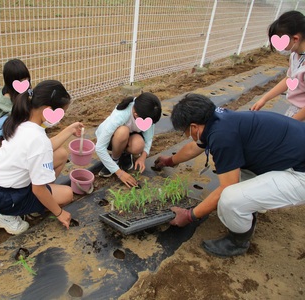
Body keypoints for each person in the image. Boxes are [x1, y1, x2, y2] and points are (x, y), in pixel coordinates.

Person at [154, 93, 305, 258]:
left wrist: (190, 215)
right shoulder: (217, 118)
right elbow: (193, 148)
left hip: (299, 173)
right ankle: (250, 208)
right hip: (288, 156)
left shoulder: (222, 137)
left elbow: (227, 186)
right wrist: (169, 161)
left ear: (194, 127)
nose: (187, 135)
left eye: (185, 131)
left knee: (229, 198)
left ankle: (237, 242)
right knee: (239, 178)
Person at [0, 80, 84, 235]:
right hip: (7, 199)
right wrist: (59, 213)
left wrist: (69, 130)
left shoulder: (21, 120)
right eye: (61, 113)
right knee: (67, 194)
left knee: (61, 154)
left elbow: (44, 148)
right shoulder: (38, 140)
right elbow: (38, 188)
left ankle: (36, 203)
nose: (60, 118)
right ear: (47, 109)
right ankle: (5, 216)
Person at [95, 92, 162, 188]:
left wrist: (143, 156)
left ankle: (125, 154)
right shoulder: (121, 115)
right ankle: (115, 159)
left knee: (138, 145)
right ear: (135, 114)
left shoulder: (148, 113)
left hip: (130, 138)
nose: (151, 125)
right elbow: (99, 147)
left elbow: (148, 138)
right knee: (123, 131)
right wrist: (119, 173)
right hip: (112, 140)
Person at [251, 10, 305, 120]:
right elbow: (288, 79)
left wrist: (291, 123)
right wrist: (264, 99)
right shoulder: (295, 55)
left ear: (295, 39)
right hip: (296, 109)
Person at [0, 59, 31, 142]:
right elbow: (12, 112)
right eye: (20, 80)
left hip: (19, 115)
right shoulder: (6, 97)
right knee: (10, 123)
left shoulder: (25, 88)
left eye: (26, 78)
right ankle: (3, 137)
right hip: (6, 117)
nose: (24, 81)